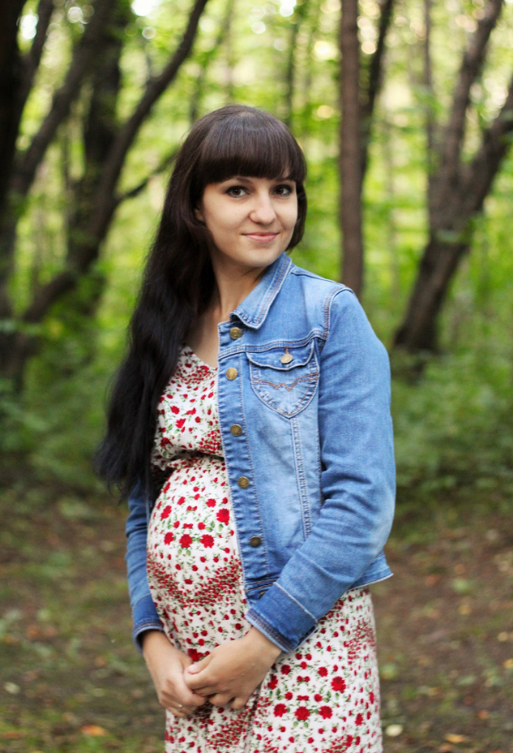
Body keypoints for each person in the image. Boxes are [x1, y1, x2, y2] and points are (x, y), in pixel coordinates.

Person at [96, 104, 395, 753]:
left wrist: (261, 644)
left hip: (301, 647)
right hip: (195, 662)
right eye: (238, 190)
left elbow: (362, 503)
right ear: (194, 206)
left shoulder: (328, 315)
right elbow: (143, 501)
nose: (266, 212)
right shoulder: (164, 326)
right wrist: (153, 641)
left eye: (281, 190)